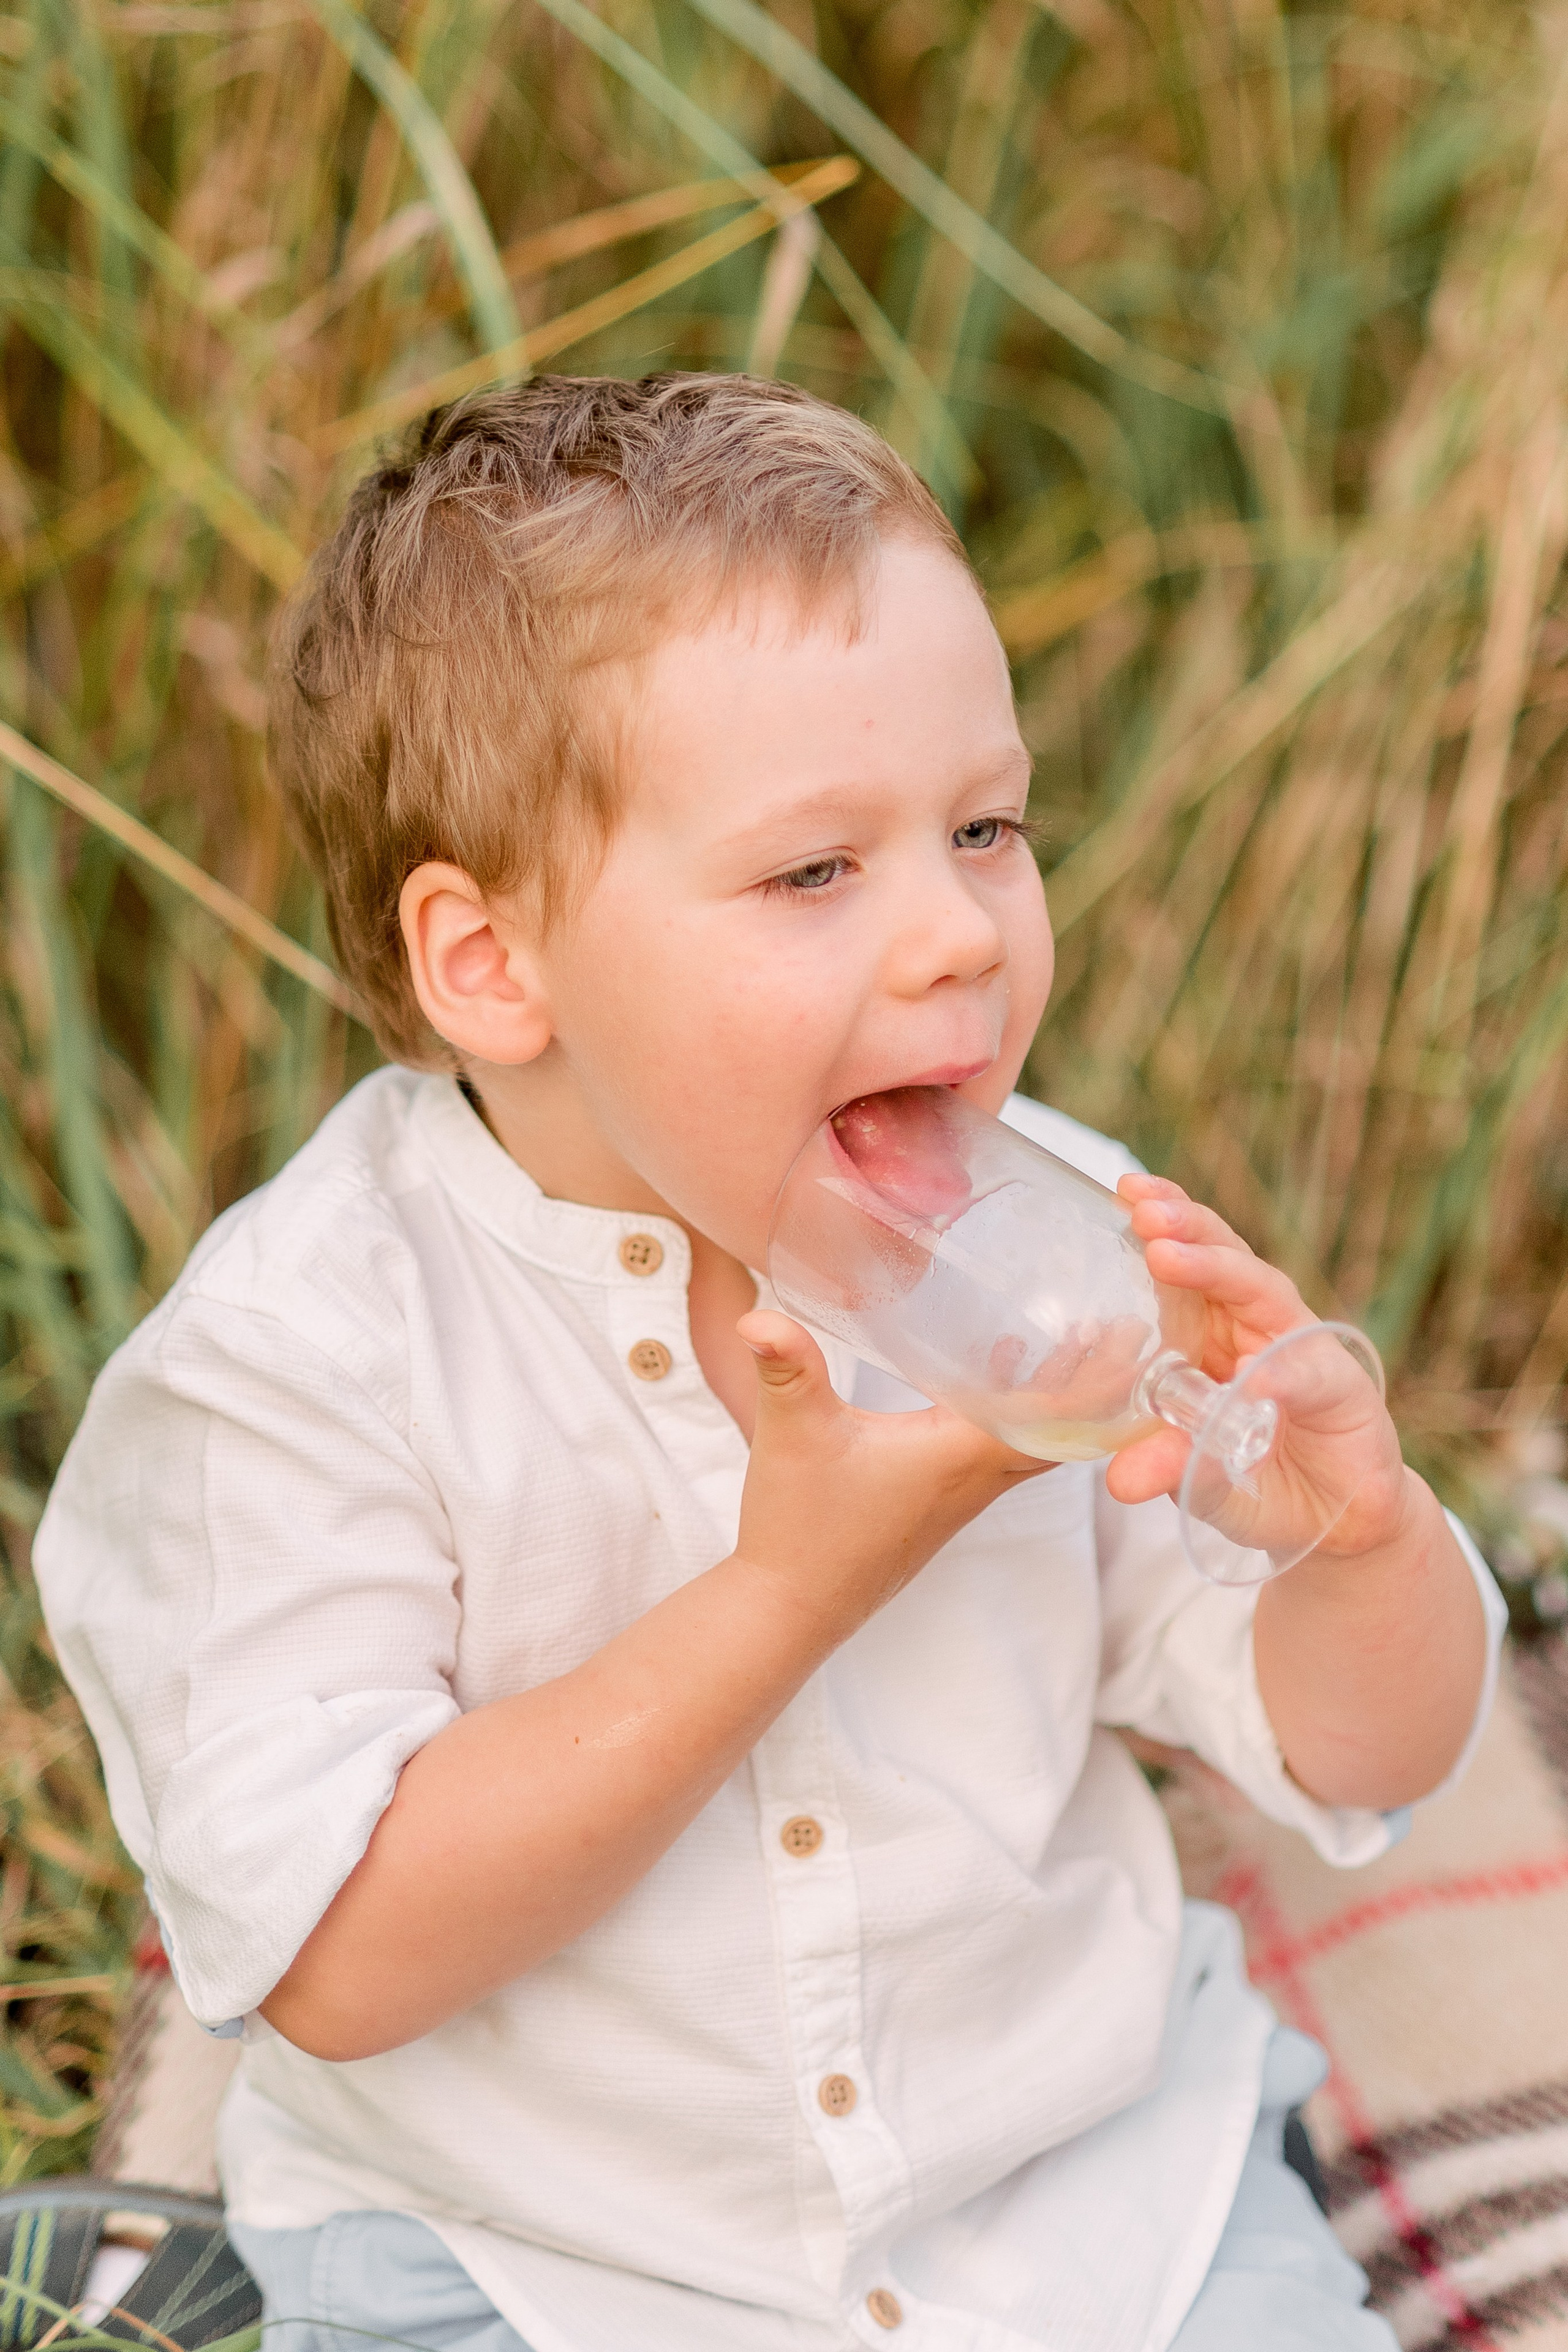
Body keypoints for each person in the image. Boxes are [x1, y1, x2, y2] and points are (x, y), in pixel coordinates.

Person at [34, 374, 1502, 2352]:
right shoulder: (300, 1363)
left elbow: (1360, 1753)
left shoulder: (1064, 1253)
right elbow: (340, 1957)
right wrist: (792, 1592)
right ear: (493, 962)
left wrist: (1357, 1543)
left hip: (1085, 2214)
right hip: (539, 2265)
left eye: (986, 829)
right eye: (818, 871)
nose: (957, 940)